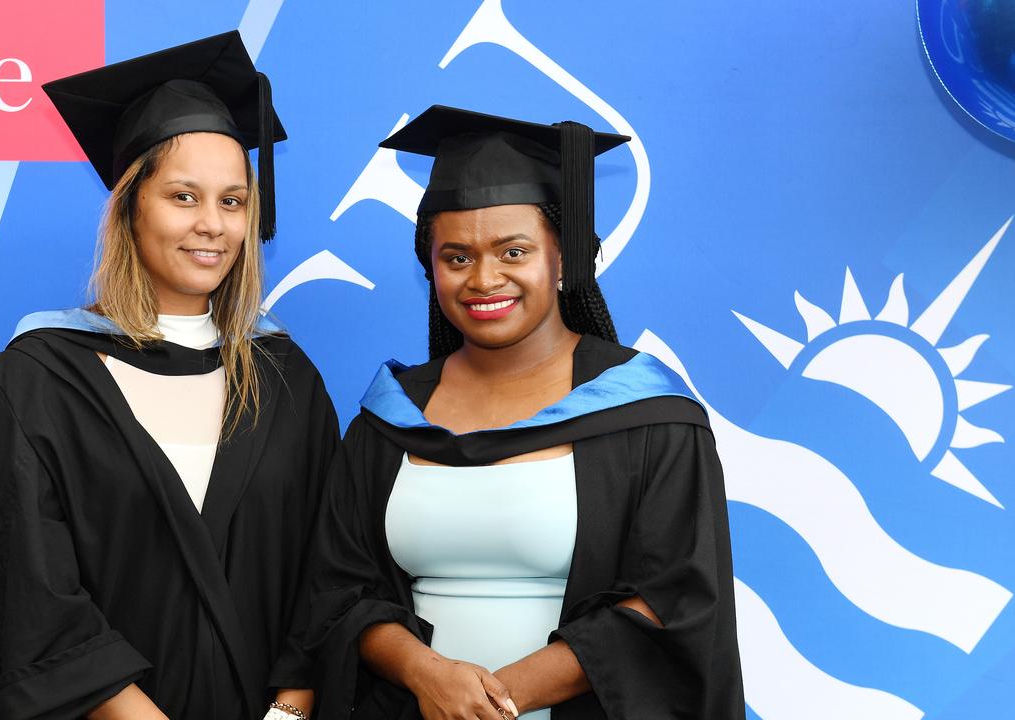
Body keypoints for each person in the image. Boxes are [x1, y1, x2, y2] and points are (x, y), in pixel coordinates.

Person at [0, 31, 338, 720]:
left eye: (233, 201)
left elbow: (327, 568)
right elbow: (17, 591)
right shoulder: (34, 385)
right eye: (183, 197)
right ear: (130, 207)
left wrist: (292, 704)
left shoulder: (284, 380)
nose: (213, 226)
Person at [273, 106, 744, 719]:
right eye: (457, 257)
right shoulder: (388, 421)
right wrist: (427, 675)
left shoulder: (647, 415)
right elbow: (338, 593)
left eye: (513, 252)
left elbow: (674, 597)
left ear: (564, 259)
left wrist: (495, 699)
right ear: (431, 268)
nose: (483, 278)